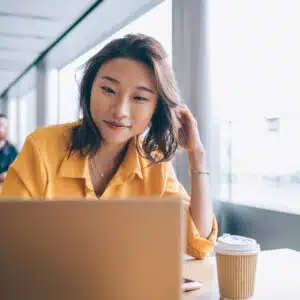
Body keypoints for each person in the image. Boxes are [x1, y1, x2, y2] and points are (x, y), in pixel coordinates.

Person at [1, 34, 217, 259]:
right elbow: (7, 242)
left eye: (140, 98)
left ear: (156, 108)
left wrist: (197, 156)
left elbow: (198, 244)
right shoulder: (42, 148)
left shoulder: (153, 164)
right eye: (108, 90)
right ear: (90, 88)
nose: (120, 111)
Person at [0, 114, 18, 183]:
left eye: (5, 126)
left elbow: (19, 171)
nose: (2, 129)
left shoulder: (12, 150)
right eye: (0, 125)